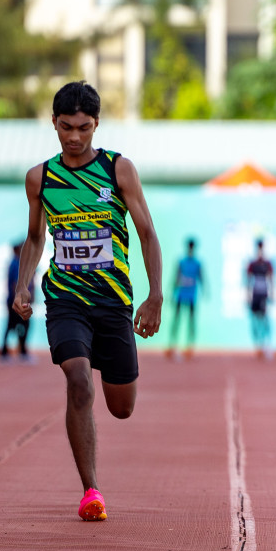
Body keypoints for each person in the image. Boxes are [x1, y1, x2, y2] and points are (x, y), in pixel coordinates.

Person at [12, 81, 164, 522]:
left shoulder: (119, 170)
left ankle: (112, 366)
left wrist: (155, 295)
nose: (74, 137)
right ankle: (90, 490)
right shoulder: (41, 178)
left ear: (96, 124)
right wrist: (23, 285)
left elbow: (148, 234)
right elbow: (36, 236)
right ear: (54, 124)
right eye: (65, 128)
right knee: (78, 381)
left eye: (83, 128)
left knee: (121, 407)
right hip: (65, 299)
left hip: (113, 301)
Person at [167, 238, 203, 359]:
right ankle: (173, 345)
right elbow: (176, 277)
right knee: (176, 320)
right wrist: (173, 293)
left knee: (191, 321)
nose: (190, 248)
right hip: (181, 294)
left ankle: (190, 346)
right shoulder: (181, 262)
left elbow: (201, 277)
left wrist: (204, 289)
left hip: (192, 295)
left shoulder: (197, 263)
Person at [0, 242, 30, 361]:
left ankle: (17, 351)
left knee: (19, 325)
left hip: (18, 300)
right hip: (16, 300)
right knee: (14, 325)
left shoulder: (22, 263)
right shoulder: (15, 263)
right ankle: (8, 352)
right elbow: (14, 284)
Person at [246, 239, 274, 359]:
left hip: (263, 294)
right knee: (255, 320)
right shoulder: (253, 264)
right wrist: (248, 296)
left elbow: (271, 279)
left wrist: (272, 294)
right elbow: (248, 280)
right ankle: (258, 344)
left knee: (264, 319)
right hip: (255, 295)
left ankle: (265, 344)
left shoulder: (267, 264)